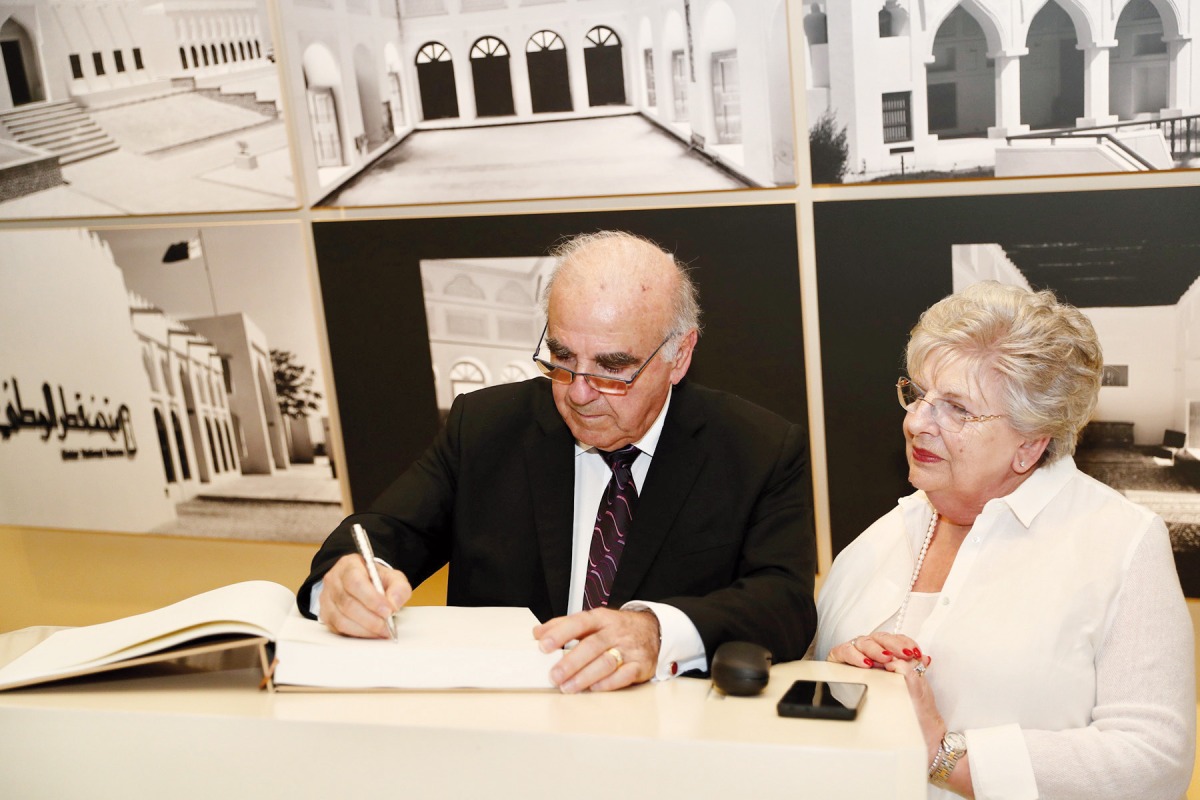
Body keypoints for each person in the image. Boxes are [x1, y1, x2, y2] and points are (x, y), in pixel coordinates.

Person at [299, 230, 816, 693]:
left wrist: (658, 632)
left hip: (663, 735)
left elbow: (785, 603)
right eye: (562, 359)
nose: (579, 393)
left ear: (678, 356)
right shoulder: (485, 426)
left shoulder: (756, 448)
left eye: (612, 369)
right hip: (502, 728)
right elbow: (380, 531)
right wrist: (349, 581)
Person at [815, 281, 1195, 799]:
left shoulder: (1121, 542)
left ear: (1030, 445)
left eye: (957, 409)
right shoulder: (881, 536)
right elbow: (813, 705)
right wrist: (840, 683)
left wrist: (946, 756)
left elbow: (1153, 761)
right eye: (919, 395)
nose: (916, 422)